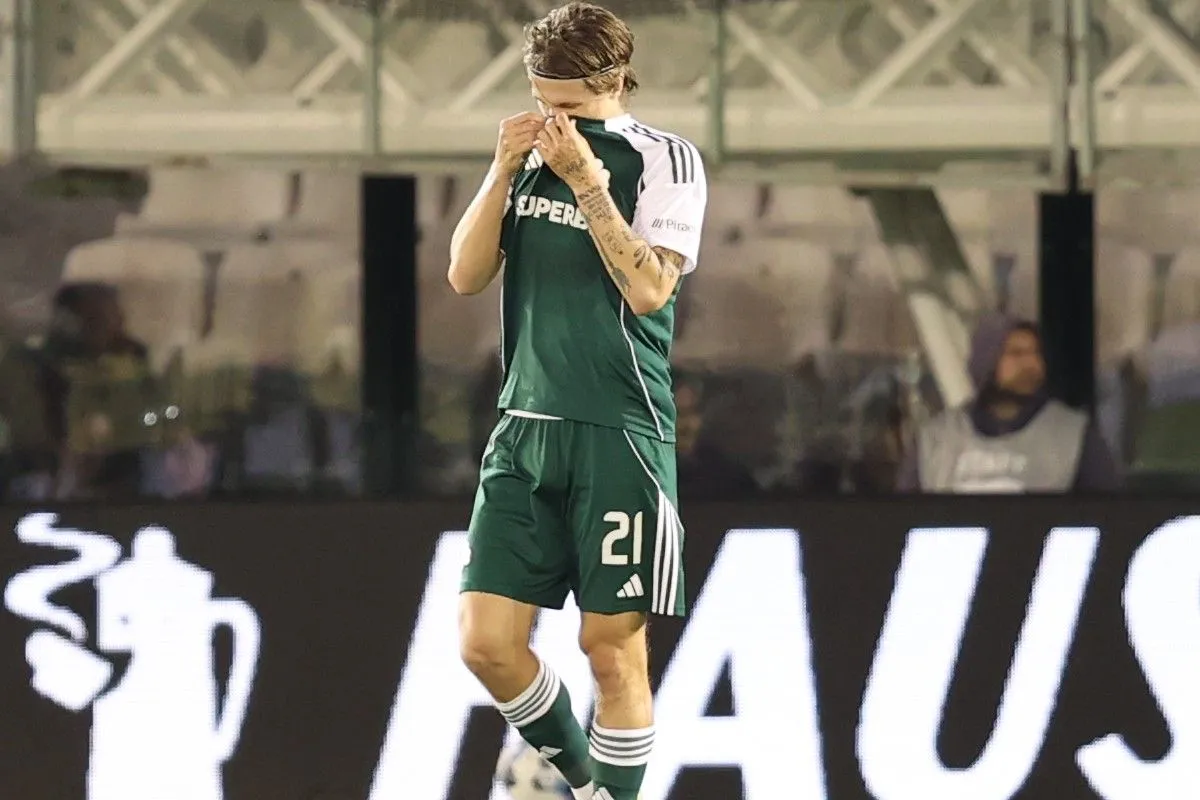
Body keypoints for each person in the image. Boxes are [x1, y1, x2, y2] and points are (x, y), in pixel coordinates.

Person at [447, 4, 707, 799]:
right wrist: (500, 171)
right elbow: (464, 274)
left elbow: (650, 289)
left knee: (612, 651)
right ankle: (589, 785)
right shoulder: (529, 156)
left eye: (568, 104)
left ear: (611, 82)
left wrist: (588, 182)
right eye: (541, 101)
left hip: (619, 429)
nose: (555, 120)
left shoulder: (664, 159)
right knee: (485, 644)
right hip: (524, 425)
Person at [897, 313, 1121, 492]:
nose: (1031, 364)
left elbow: (1109, 515)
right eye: (1016, 353)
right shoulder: (936, 440)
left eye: (1036, 353)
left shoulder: (1073, 435)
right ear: (987, 361)